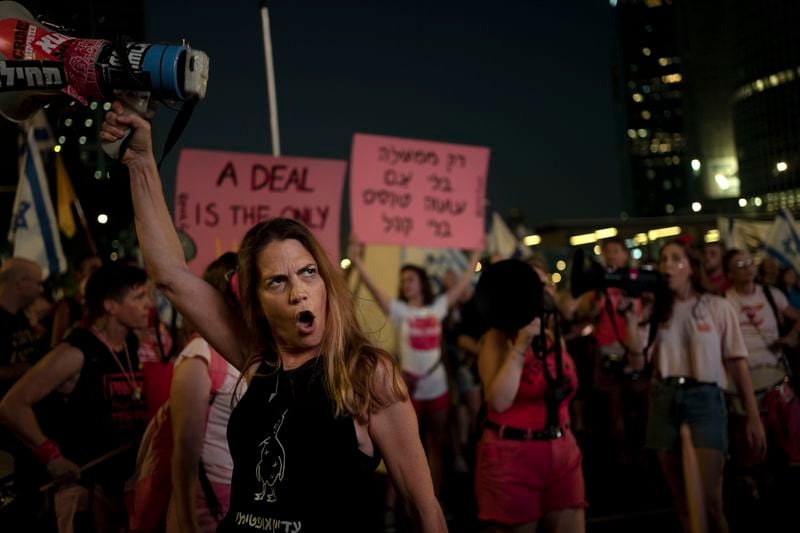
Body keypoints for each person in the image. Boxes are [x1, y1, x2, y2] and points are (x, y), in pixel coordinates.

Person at [100, 102, 447, 532]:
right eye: (277, 282)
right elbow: (170, 276)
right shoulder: (257, 357)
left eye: (307, 273)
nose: (298, 289)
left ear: (325, 285)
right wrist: (140, 162)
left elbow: (424, 507)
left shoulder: (366, 374)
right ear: (257, 301)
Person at [0, 263, 152, 532]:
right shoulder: (77, 351)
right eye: (139, 297)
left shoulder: (129, 345)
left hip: (120, 489)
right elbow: (12, 405)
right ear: (110, 306)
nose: (148, 304)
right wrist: (52, 456)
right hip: (84, 494)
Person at [645, 239, 766, 532]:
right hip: (664, 399)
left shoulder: (717, 306)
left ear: (691, 267)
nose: (668, 266)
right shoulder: (655, 310)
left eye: (676, 259)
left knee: (708, 499)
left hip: (705, 401)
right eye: (663, 260)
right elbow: (639, 362)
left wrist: (753, 416)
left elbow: (737, 363)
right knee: (683, 501)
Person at [350, 242, 480, 503]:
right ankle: (396, 503)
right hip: (407, 391)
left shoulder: (438, 308)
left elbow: (464, 282)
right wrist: (358, 261)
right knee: (403, 447)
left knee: (436, 446)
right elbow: (373, 288)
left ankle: (434, 500)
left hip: (437, 387)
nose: (406, 283)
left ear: (422, 282)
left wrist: (476, 253)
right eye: (403, 280)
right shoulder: (400, 311)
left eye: (411, 279)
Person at [475, 260, 586, 532]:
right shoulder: (497, 338)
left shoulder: (552, 337)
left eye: (545, 284)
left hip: (563, 454)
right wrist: (521, 344)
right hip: (512, 458)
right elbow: (499, 401)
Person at [167, 252, 245, 533]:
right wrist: (186, 522)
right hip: (210, 503)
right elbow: (186, 449)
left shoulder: (254, 353)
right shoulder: (201, 352)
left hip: (246, 497)